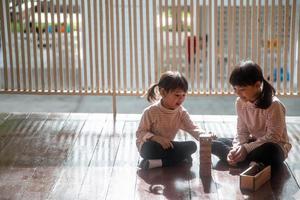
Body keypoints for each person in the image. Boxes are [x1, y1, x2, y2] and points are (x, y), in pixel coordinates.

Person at [211, 60, 291, 167]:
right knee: (213, 144)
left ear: (257, 85)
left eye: (242, 89)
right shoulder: (240, 102)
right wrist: (237, 148)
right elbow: (242, 131)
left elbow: (273, 137)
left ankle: (238, 160)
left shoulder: (274, 105)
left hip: (272, 146)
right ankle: (243, 160)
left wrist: (245, 149)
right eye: (235, 89)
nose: (238, 93)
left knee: (271, 150)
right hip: (253, 143)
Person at [136, 71, 207, 170]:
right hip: (150, 148)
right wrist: (156, 138)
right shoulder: (151, 112)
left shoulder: (181, 112)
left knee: (192, 146)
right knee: (149, 148)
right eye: (177, 95)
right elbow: (140, 133)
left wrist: (206, 136)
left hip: (167, 147)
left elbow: (193, 129)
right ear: (163, 92)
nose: (181, 99)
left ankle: (157, 163)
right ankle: (181, 158)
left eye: (184, 95)